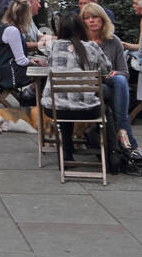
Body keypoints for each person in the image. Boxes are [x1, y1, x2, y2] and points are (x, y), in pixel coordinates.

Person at [42, 12, 110, 163]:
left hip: (54, 109)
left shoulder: (53, 47)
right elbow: (106, 70)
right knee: (107, 101)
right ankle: (109, 151)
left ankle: (66, 153)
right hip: (88, 111)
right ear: (81, 28)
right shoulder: (92, 47)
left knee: (64, 104)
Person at [81, 2, 138, 149]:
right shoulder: (81, 42)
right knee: (116, 90)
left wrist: (115, 72)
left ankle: (118, 129)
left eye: (95, 17)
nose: (91, 21)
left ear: (102, 19)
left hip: (110, 83)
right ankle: (125, 136)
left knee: (119, 80)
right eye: (87, 18)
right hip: (89, 86)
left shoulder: (114, 41)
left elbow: (124, 72)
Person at [0, 0, 34, 94]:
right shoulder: (12, 31)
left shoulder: (6, 27)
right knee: (43, 72)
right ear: (24, 15)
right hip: (3, 75)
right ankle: (32, 99)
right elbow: (21, 61)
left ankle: (29, 98)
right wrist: (33, 62)